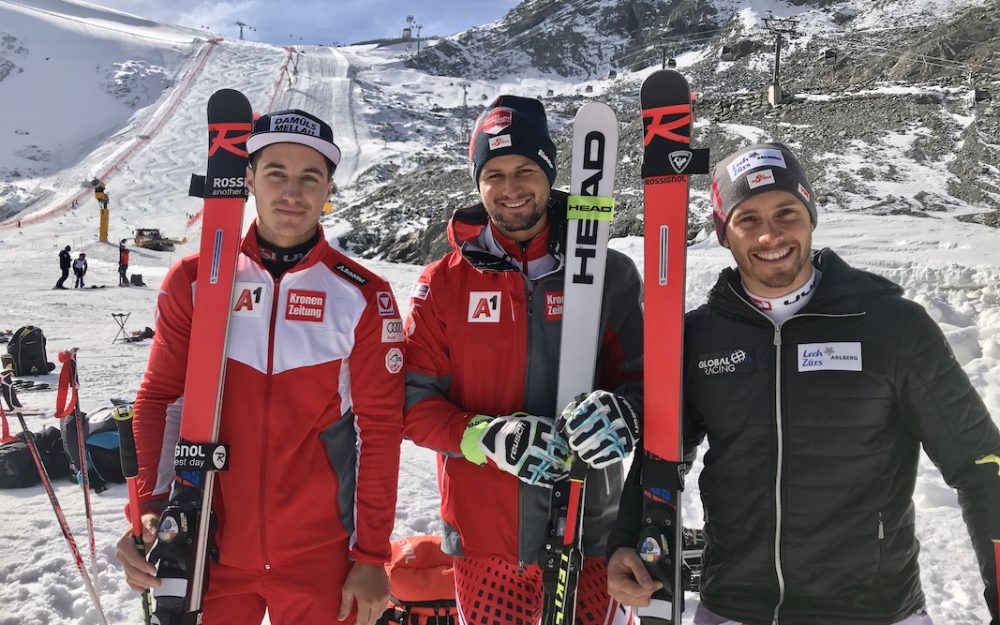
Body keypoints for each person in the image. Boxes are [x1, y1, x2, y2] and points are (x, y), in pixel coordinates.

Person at [606, 142, 1000, 625]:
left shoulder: (892, 326)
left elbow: (980, 465)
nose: (770, 234)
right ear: (724, 235)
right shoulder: (698, 337)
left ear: (810, 215)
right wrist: (627, 538)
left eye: (786, 212)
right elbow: (662, 460)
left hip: (872, 611)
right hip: (735, 606)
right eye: (747, 218)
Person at [113, 108, 404, 625]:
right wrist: (149, 509)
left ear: (328, 188)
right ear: (248, 180)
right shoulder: (193, 281)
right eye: (276, 174)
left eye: (310, 177)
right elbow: (161, 398)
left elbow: (378, 432)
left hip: (322, 557)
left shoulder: (363, 296)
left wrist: (371, 556)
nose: (292, 192)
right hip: (210, 543)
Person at [403, 95, 643, 625]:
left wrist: (626, 414)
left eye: (526, 170)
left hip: (591, 530)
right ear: (478, 181)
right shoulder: (442, 285)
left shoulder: (611, 274)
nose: (511, 189)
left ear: (549, 172)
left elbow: (644, 384)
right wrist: (484, 437)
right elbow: (414, 407)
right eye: (494, 174)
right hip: (485, 542)